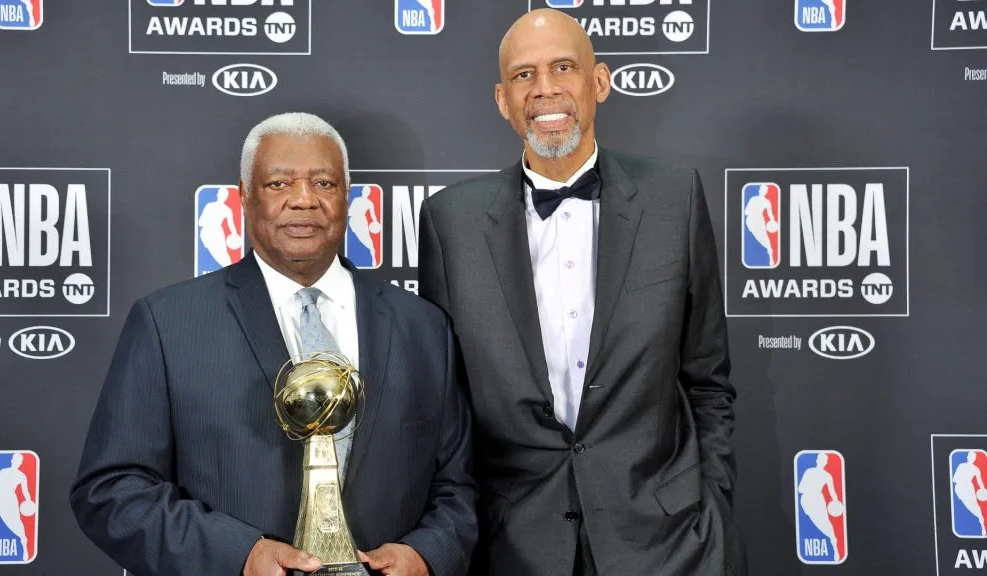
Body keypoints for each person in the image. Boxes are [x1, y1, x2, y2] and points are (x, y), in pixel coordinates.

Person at [71, 112, 477, 576]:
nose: (303, 201)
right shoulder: (167, 325)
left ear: (348, 196)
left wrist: (424, 554)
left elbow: (458, 487)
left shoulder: (423, 328)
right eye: (279, 184)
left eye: (324, 183)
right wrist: (239, 555)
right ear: (244, 198)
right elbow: (111, 491)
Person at [418, 9, 746, 575]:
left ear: (599, 82)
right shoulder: (451, 221)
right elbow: (446, 408)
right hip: (516, 545)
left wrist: (709, 502)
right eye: (523, 75)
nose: (544, 89)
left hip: (670, 544)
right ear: (502, 99)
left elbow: (708, 380)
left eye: (563, 67)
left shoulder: (675, 198)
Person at [797, 453, 842, 560]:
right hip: (807, 500)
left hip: (818, 500)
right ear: (817, 460)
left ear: (826, 463)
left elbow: (833, 492)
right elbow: (800, 489)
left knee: (826, 524)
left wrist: (835, 502)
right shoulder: (809, 472)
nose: (822, 462)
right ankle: (833, 541)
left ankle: (835, 546)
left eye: (824, 460)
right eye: (821, 460)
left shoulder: (827, 476)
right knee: (818, 523)